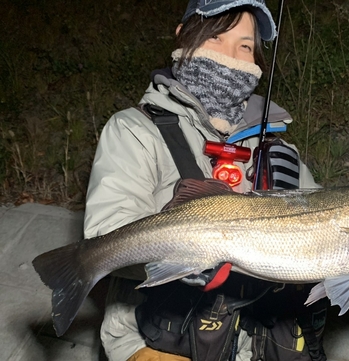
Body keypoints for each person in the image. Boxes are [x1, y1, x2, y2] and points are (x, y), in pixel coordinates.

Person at [84, 1, 327, 360]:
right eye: (215, 37)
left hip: (258, 344)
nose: (231, 57)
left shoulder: (277, 144)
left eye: (245, 46)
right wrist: (188, 252)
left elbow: (324, 224)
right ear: (184, 36)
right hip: (157, 338)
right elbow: (107, 233)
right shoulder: (135, 130)